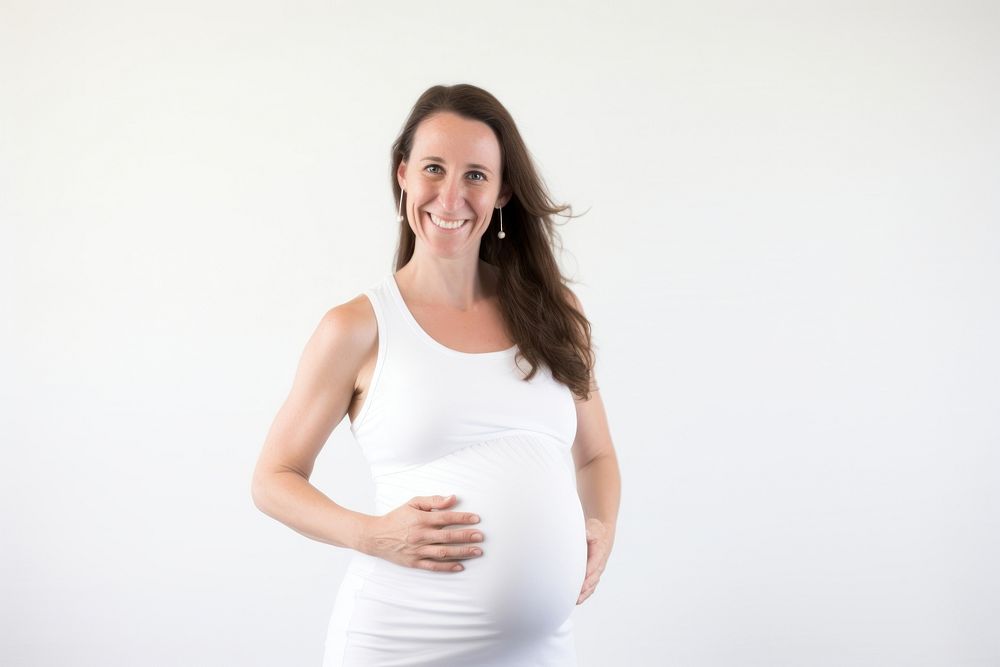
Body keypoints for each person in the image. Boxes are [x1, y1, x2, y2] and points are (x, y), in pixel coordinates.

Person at [251, 83, 621, 666]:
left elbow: (596, 455)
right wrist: (371, 534)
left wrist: (601, 522)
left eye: (476, 175)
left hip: (540, 652)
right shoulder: (357, 328)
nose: (451, 196)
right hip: (399, 643)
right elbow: (273, 478)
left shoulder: (556, 312)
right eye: (433, 169)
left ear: (502, 193)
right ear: (402, 175)